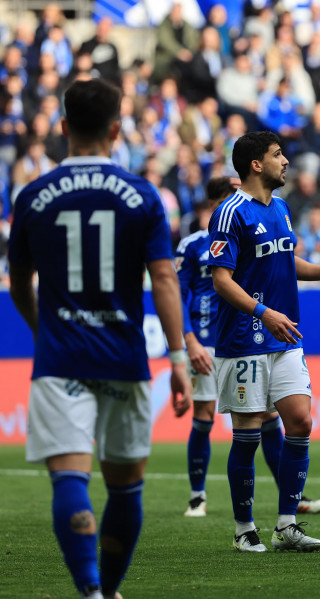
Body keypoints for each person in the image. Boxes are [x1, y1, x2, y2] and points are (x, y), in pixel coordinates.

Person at [7, 79, 191, 599]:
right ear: (116, 129)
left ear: (63, 128)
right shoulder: (143, 195)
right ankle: (109, 591)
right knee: (124, 485)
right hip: (124, 356)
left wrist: (44, 330)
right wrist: (177, 357)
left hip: (60, 356)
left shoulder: (33, 196)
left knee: (70, 479)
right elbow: (164, 279)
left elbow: (20, 282)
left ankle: (88, 590)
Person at [208, 130, 320, 553]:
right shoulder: (230, 212)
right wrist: (262, 312)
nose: (286, 161)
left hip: (285, 335)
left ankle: (287, 524)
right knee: (247, 436)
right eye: (277, 154)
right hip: (246, 338)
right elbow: (221, 280)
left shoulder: (283, 208)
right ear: (256, 164)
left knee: (301, 421)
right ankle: (243, 529)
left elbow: (286, 260)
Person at [176, 176, 320, 518]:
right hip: (213, 340)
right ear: (219, 201)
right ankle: (199, 496)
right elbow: (178, 295)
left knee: (276, 419)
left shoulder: (270, 214)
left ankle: (291, 504)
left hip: (263, 333)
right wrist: (188, 342)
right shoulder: (193, 245)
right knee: (207, 416)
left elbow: (284, 262)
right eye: (234, 191)